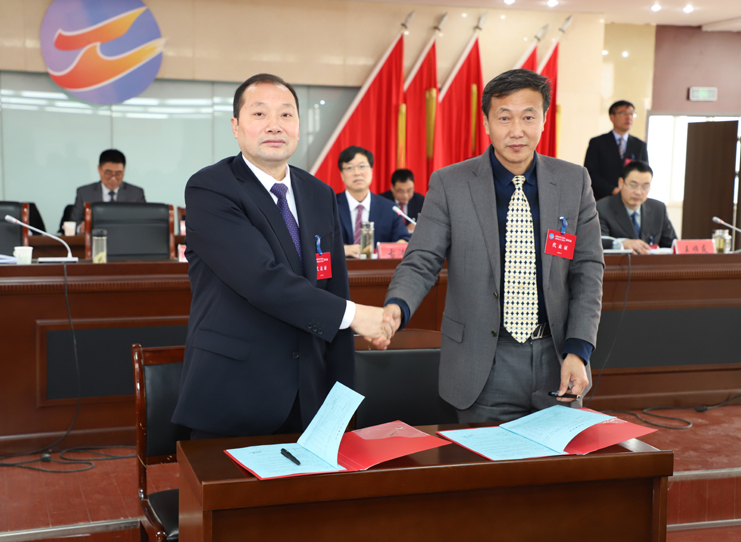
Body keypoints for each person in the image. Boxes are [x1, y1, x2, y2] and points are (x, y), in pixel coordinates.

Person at [375, 69, 605, 423]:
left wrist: (579, 349)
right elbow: (421, 260)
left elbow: (588, 270)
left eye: (528, 117)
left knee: (557, 458)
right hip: (483, 363)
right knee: (486, 458)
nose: (517, 131)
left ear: (544, 119)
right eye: (504, 118)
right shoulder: (451, 184)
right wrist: (397, 306)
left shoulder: (574, 181)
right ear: (486, 123)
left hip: (558, 357)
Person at [171, 74, 390, 439]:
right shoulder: (211, 188)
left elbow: (334, 286)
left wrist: (341, 401)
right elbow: (261, 279)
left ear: (298, 126)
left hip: (310, 396)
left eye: (286, 114)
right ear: (236, 126)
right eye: (259, 114)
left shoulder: (319, 193)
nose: (274, 125)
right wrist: (356, 316)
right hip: (235, 393)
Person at [336, 146, 410, 258]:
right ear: (342, 175)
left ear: (371, 171)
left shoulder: (389, 208)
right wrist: (341, 249)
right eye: (350, 168)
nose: (357, 173)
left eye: (362, 166)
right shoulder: (329, 207)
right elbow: (319, 242)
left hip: (380, 269)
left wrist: (398, 246)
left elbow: (403, 239)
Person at [597, 161, 677, 254]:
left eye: (645, 187)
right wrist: (622, 243)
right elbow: (599, 243)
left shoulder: (658, 209)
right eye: (633, 185)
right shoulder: (602, 208)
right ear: (621, 183)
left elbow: (673, 245)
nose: (638, 192)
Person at [584, 100, 648, 201]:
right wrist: (613, 190)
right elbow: (590, 173)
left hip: (631, 199)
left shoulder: (640, 145)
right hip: (602, 198)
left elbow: (644, 172)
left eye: (632, 114)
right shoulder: (597, 142)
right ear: (612, 117)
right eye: (624, 113)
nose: (629, 117)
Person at [69, 149, 146, 229]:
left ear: (124, 171)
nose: (113, 178)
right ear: (99, 169)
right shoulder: (84, 192)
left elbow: (145, 223)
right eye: (108, 173)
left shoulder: (136, 194)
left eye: (118, 173)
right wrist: (81, 228)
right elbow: (74, 223)